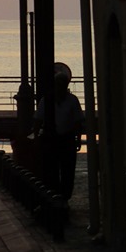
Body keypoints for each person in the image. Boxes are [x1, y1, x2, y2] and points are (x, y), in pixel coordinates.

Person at [36, 71, 84, 199]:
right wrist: (36, 137)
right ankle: (54, 193)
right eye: (58, 84)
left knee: (68, 169)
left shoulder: (72, 100)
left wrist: (78, 139)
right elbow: (38, 120)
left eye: (62, 84)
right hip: (51, 138)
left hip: (67, 138)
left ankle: (65, 195)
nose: (60, 87)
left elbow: (78, 122)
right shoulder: (46, 100)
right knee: (52, 168)